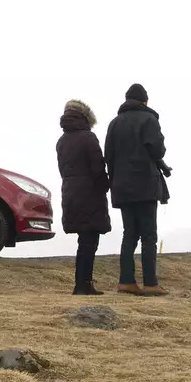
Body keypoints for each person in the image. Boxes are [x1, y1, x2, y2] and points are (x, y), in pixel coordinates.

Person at [103, 83, 168, 295]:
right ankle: (151, 283)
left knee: (129, 233)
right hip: (145, 185)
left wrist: (115, 181)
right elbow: (157, 149)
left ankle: (126, 281)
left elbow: (109, 156)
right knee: (149, 235)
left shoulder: (114, 124)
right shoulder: (149, 119)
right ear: (144, 101)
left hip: (122, 186)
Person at [56, 99, 110, 295]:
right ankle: (83, 284)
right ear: (85, 117)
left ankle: (82, 283)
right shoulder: (88, 137)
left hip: (70, 191)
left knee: (83, 239)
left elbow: (63, 169)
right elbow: (98, 167)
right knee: (90, 240)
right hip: (89, 193)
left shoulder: (62, 141)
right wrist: (105, 186)